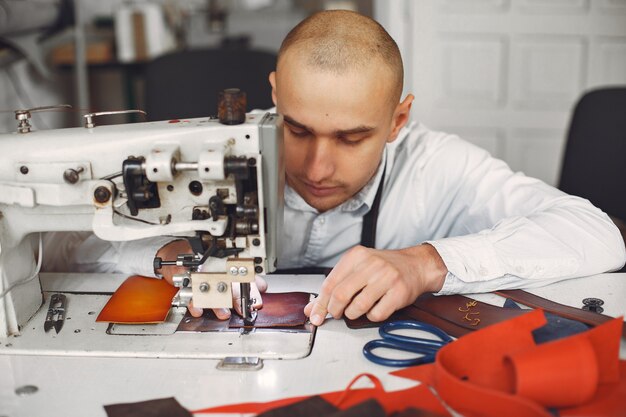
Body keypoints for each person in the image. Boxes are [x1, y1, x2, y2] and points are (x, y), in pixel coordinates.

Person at [43, 10, 626, 325]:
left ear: (398, 121)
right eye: (296, 130)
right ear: (273, 95)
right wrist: (165, 254)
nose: (318, 165)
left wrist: (426, 263)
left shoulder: (437, 165)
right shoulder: (216, 150)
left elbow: (598, 235)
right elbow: (59, 243)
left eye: (353, 137)